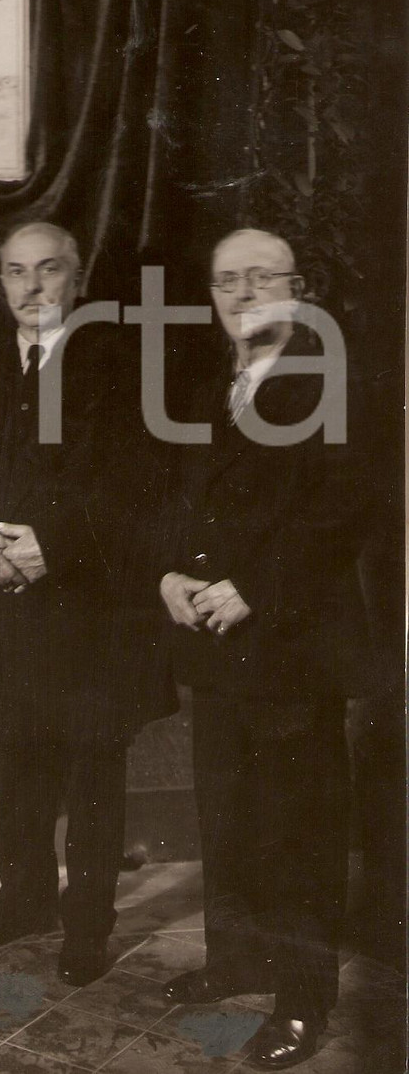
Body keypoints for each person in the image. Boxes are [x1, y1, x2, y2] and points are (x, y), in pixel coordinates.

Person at [159, 228, 374, 1070]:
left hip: (293, 644)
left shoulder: (332, 379)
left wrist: (255, 587)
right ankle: (237, 957)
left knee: (298, 825)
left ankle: (300, 1000)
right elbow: (178, 498)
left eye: (260, 278)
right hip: (214, 640)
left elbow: (338, 513)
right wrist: (169, 575)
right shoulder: (206, 383)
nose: (242, 293)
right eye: (226, 280)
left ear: (297, 285)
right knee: (229, 809)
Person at [0, 221, 175, 985]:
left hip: (90, 608)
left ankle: (89, 923)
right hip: (4, 602)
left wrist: (56, 546)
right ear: (0, 280)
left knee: (91, 769)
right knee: (19, 760)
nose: (31, 287)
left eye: (48, 270)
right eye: (15, 272)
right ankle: (25, 899)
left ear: (77, 278)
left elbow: (142, 484)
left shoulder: (122, 357)